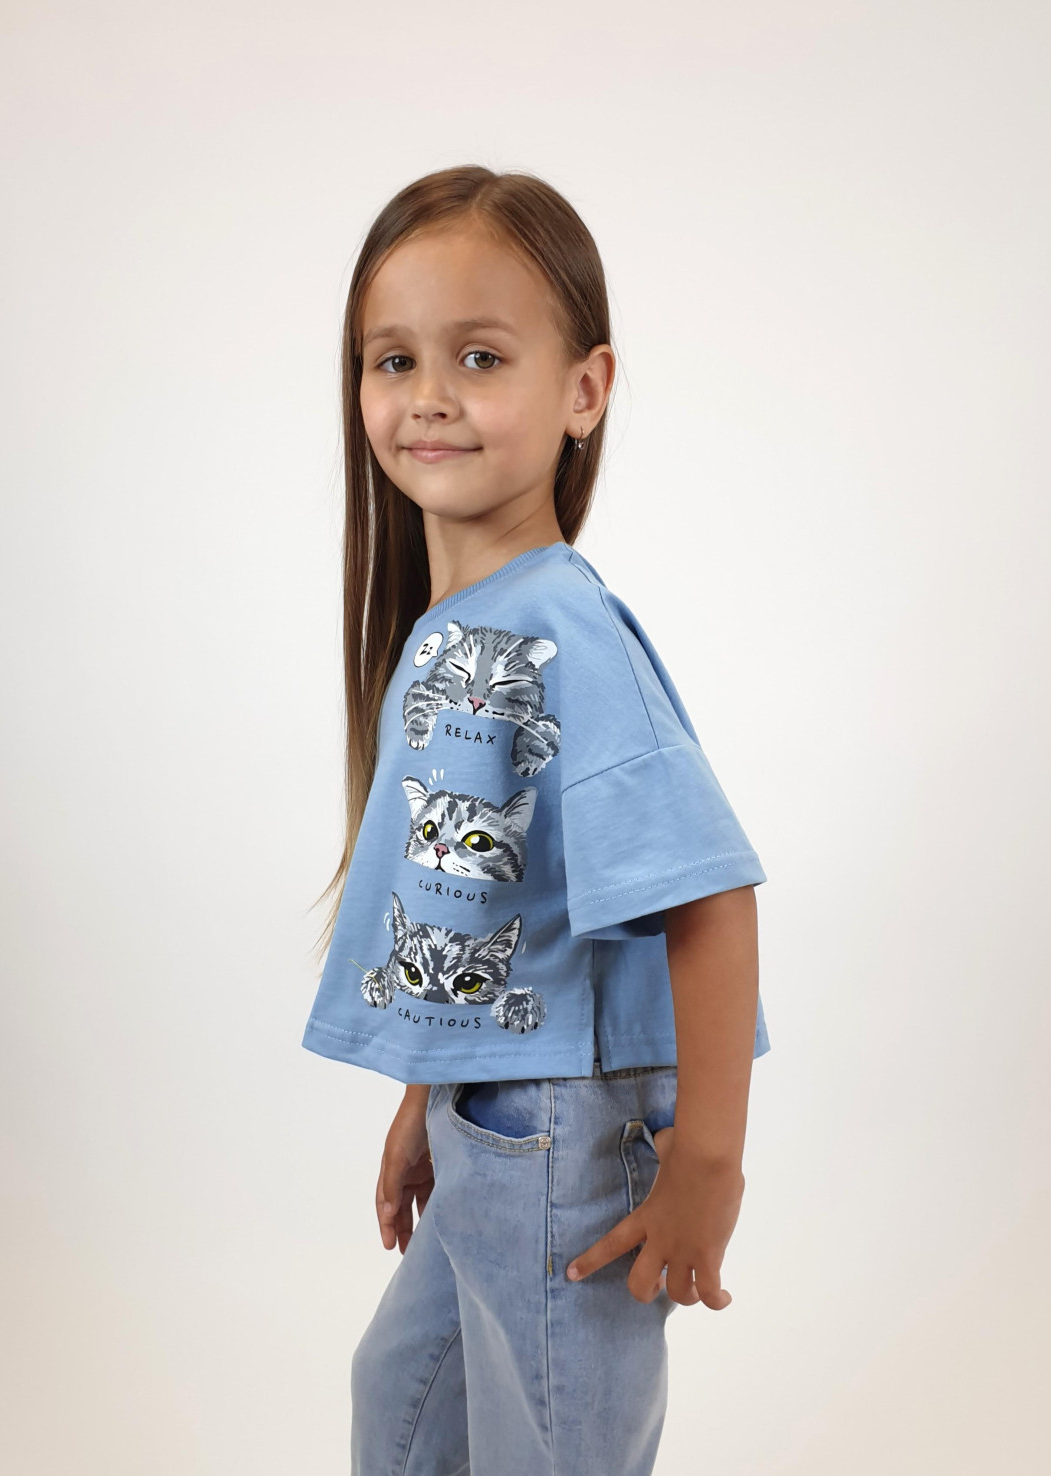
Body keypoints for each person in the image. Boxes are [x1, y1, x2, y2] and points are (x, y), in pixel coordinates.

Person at [300, 164, 771, 1476]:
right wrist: (429, 1092)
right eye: (394, 359)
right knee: (404, 1403)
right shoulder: (461, 625)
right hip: (491, 1114)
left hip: (566, 1136)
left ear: (584, 391)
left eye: (481, 357)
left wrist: (708, 1164)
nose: (429, 395)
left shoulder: (564, 627)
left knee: (553, 1446)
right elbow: (483, 902)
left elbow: (709, 891)